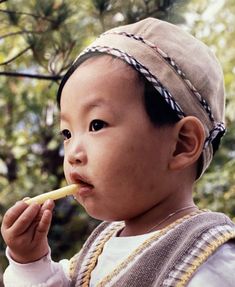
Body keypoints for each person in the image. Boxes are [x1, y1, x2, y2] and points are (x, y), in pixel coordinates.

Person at [1, 17, 235, 287]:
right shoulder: (99, 247)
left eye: (96, 125)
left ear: (181, 144)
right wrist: (30, 262)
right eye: (67, 133)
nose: (73, 153)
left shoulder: (212, 261)